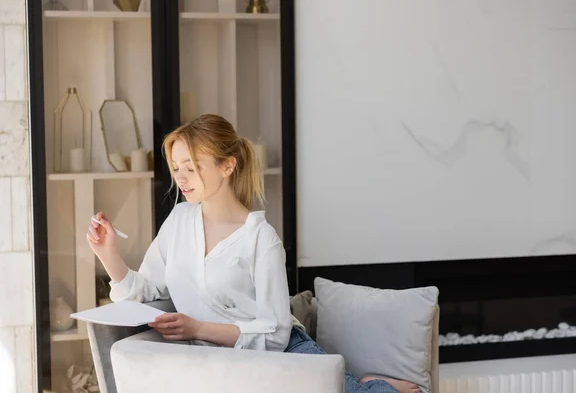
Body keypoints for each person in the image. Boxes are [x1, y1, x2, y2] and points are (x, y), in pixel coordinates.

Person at [86, 114, 420, 393]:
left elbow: (275, 335)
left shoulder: (261, 239)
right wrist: (108, 253)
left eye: (192, 166)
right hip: (219, 364)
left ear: (227, 166)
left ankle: (379, 385)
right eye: (176, 168)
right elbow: (147, 290)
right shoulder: (178, 222)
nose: (181, 178)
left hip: (284, 356)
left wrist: (197, 329)